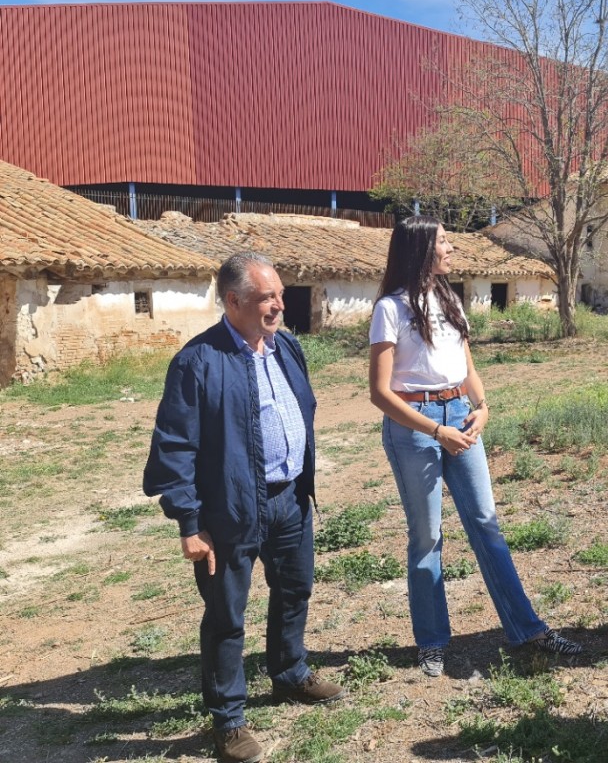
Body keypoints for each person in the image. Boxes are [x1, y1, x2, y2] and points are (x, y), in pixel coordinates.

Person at [144, 252, 343, 763]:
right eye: (266, 298)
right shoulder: (197, 361)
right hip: (228, 511)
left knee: (295, 589)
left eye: (279, 294)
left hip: (291, 499)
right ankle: (229, 720)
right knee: (227, 616)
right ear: (233, 302)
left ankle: (290, 673)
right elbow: (174, 447)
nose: (278, 305)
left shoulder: (286, 347)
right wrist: (189, 522)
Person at [368, 216, 582, 677]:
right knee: (426, 537)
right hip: (415, 429)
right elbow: (380, 393)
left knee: (486, 523)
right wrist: (434, 430)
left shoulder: (451, 301)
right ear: (422, 249)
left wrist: (482, 407)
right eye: (444, 242)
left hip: (461, 417)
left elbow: (468, 369)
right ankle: (432, 642)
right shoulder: (390, 308)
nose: (451, 249)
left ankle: (527, 629)